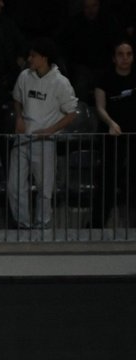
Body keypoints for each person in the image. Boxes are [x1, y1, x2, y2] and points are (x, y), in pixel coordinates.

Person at [7, 38, 77, 229]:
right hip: (23, 138)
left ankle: (42, 225)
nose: (29, 59)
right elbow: (17, 99)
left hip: (45, 141)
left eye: (33, 55)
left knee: (44, 188)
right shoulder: (24, 76)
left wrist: (49, 131)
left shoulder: (60, 82)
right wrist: (19, 118)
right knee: (14, 186)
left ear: (44, 58)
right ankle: (22, 224)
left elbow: (71, 113)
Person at [91, 39, 136, 231]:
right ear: (114, 58)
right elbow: (100, 107)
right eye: (120, 54)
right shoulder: (105, 78)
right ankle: (96, 226)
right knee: (107, 181)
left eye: (129, 54)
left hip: (134, 136)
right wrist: (110, 123)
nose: (125, 58)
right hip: (112, 136)